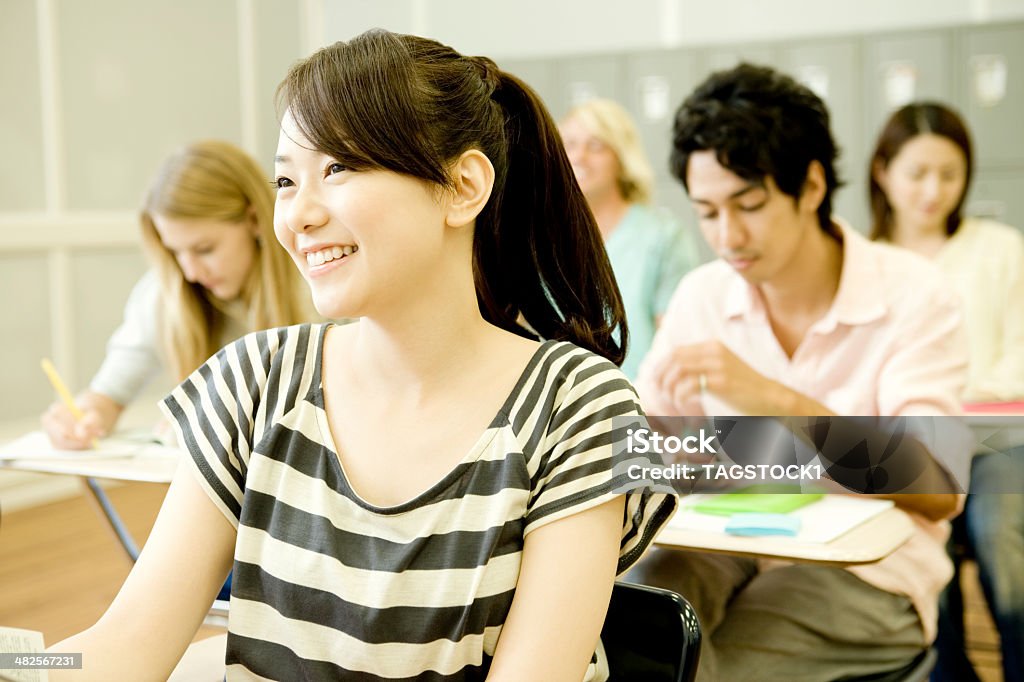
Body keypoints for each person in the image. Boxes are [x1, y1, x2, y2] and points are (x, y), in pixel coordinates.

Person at [49, 29, 675, 681]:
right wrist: (21, 657)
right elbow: (123, 646)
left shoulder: (578, 407)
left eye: (339, 168)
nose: (298, 216)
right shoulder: (254, 380)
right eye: (287, 179)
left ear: (463, 187)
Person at [628, 63, 972, 681]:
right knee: (628, 632)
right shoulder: (702, 295)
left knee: (710, 670)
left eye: (749, 204)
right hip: (722, 541)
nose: (726, 235)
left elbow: (939, 483)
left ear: (812, 186)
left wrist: (774, 399)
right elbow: (647, 445)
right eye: (706, 212)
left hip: (866, 569)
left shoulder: (914, 295)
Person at [869, 101, 1024, 682]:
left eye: (950, 174)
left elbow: (1019, 358)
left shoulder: (1001, 248)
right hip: (911, 449)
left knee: (1001, 542)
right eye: (917, 173)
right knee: (909, 555)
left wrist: (942, 397)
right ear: (883, 173)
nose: (933, 190)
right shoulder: (867, 262)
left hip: (994, 447)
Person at [40, 140, 313, 449]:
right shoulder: (162, 295)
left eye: (204, 249)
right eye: (176, 252)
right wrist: (82, 418)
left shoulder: (317, 285)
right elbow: (107, 396)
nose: (190, 273)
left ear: (254, 220)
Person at [560, 98, 699, 379]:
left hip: (642, 408)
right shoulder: (548, 238)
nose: (579, 157)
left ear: (622, 159)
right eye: (570, 145)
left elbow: (678, 343)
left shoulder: (662, 236)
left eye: (596, 146)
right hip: (566, 409)